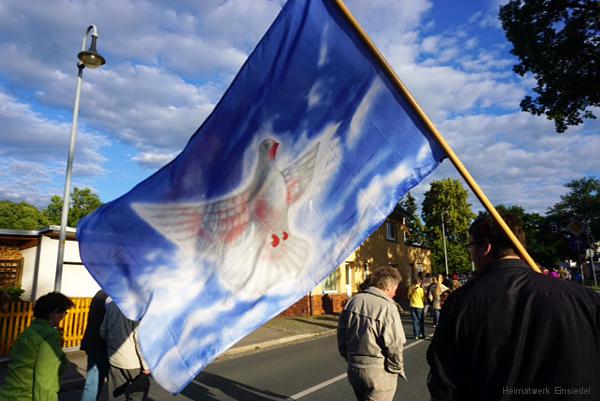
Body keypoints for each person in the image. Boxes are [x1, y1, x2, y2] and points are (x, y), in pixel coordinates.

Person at [427, 212, 600, 401]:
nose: (471, 254)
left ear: (485, 247)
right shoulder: (584, 298)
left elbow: (444, 381)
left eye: (471, 246)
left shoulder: (460, 302)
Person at [337, 267, 406, 401]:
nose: (395, 293)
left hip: (354, 367)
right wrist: (396, 368)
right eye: (395, 289)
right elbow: (394, 344)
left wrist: (348, 356)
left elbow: (341, 333)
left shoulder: (353, 301)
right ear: (388, 287)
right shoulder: (387, 306)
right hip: (378, 370)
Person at [0, 292, 74, 401]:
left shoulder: (28, 331)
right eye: (64, 313)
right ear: (54, 313)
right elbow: (45, 381)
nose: (64, 316)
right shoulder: (50, 336)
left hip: (8, 393)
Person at [100, 298, 150, 401]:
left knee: (117, 395)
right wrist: (146, 365)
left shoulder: (112, 304)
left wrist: (112, 344)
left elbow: (103, 331)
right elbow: (139, 342)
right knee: (137, 394)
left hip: (114, 358)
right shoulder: (136, 309)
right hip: (132, 362)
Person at [80, 290, 109, 401]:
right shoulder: (113, 296)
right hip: (105, 346)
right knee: (117, 385)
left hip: (92, 343)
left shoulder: (101, 293)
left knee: (92, 384)